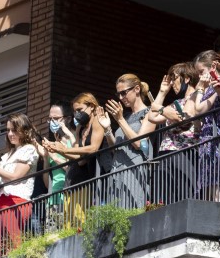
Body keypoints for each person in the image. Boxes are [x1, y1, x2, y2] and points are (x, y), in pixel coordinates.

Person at [0, 113, 39, 255]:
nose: (10, 134)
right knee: (0, 245)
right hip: (0, 201)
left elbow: (16, 177)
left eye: (14, 130)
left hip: (15, 200)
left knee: (14, 240)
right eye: (8, 130)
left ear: (24, 130)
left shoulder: (29, 149)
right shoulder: (6, 156)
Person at [46, 93, 108, 225]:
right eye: (74, 111)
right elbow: (79, 159)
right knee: (75, 223)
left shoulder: (98, 121)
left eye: (80, 110)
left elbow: (93, 148)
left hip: (102, 174)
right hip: (87, 176)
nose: (77, 114)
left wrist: (64, 150)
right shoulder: (80, 127)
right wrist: (58, 149)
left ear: (92, 106)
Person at [148, 62, 201, 204]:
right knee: (162, 196)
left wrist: (161, 109)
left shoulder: (197, 96)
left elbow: (183, 119)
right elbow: (152, 117)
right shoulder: (176, 102)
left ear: (187, 78)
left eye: (174, 78)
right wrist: (162, 92)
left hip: (185, 151)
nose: (172, 83)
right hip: (166, 151)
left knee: (183, 192)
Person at [100, 73, 156, 208]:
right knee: (116, 211)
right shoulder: (126, 116)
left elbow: (139, 143)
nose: (120, 98)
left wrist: (120, 120)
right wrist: (107, 129)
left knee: (132, 208)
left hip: (135, 168)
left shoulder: (149, 113)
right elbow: (115, 148)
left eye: (123, 93)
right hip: (117, 169)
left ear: (137, 89)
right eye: (118, 94)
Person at [193, 50, 220, 202]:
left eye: (201, 72)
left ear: (212, 67)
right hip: (208, 137)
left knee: (216, 182)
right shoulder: (210, 87)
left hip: (216, 137)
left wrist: (200, 88)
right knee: (210, 184)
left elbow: (198, 110)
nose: (200, 76)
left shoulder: (219, 85)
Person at [36, 102, 75, 227]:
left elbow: (72, 168)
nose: (52, 122)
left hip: (70, 197)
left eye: (56, 118)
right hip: (53, 200)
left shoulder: (73, 141)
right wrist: (46, 157)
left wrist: (55, 157)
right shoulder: (53, 145)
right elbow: (48, 183)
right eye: (50, 119)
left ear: (68, 119)